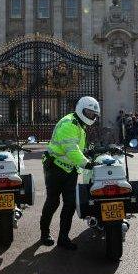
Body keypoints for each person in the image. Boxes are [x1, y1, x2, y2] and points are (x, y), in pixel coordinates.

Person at [39, 96, 100, 250]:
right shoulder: (69, 123)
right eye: (88, 112)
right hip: (55, 166)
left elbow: (77, 148)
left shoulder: (79, 124)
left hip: (70, 168)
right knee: (53, 202)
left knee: (70, 203)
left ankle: (63, 238)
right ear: (80, 109)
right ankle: (44, 233)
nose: (91, 116)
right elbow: (71, 149)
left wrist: (88, 154)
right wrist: (86, 163)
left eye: (93, 114)